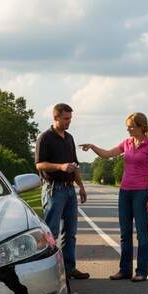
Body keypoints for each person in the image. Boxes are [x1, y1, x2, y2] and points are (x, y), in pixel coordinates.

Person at [81, 112, 148, 282]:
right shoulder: (127, 143)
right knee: (125, 233)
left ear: (141, 127)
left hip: (141, 192)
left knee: (142, 234)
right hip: (124, 192)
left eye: (131, 126)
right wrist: (92, 146)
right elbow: (108, 154)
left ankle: (141, 272)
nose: (128, 129)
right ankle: (125, 270)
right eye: (128, 126)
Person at [35, 103, 90, 280]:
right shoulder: (45, 138)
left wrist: (80, 186)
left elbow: (74, 166)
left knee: (70, 232)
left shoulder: (69, 138)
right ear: (56, 117)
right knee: (51, 233)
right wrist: (60, 166)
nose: (68, 122)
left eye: (70, 119)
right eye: (66, 119)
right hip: (53, 190)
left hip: (69, 190)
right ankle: (48, 272)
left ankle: (69, 268)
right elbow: (39, 164)